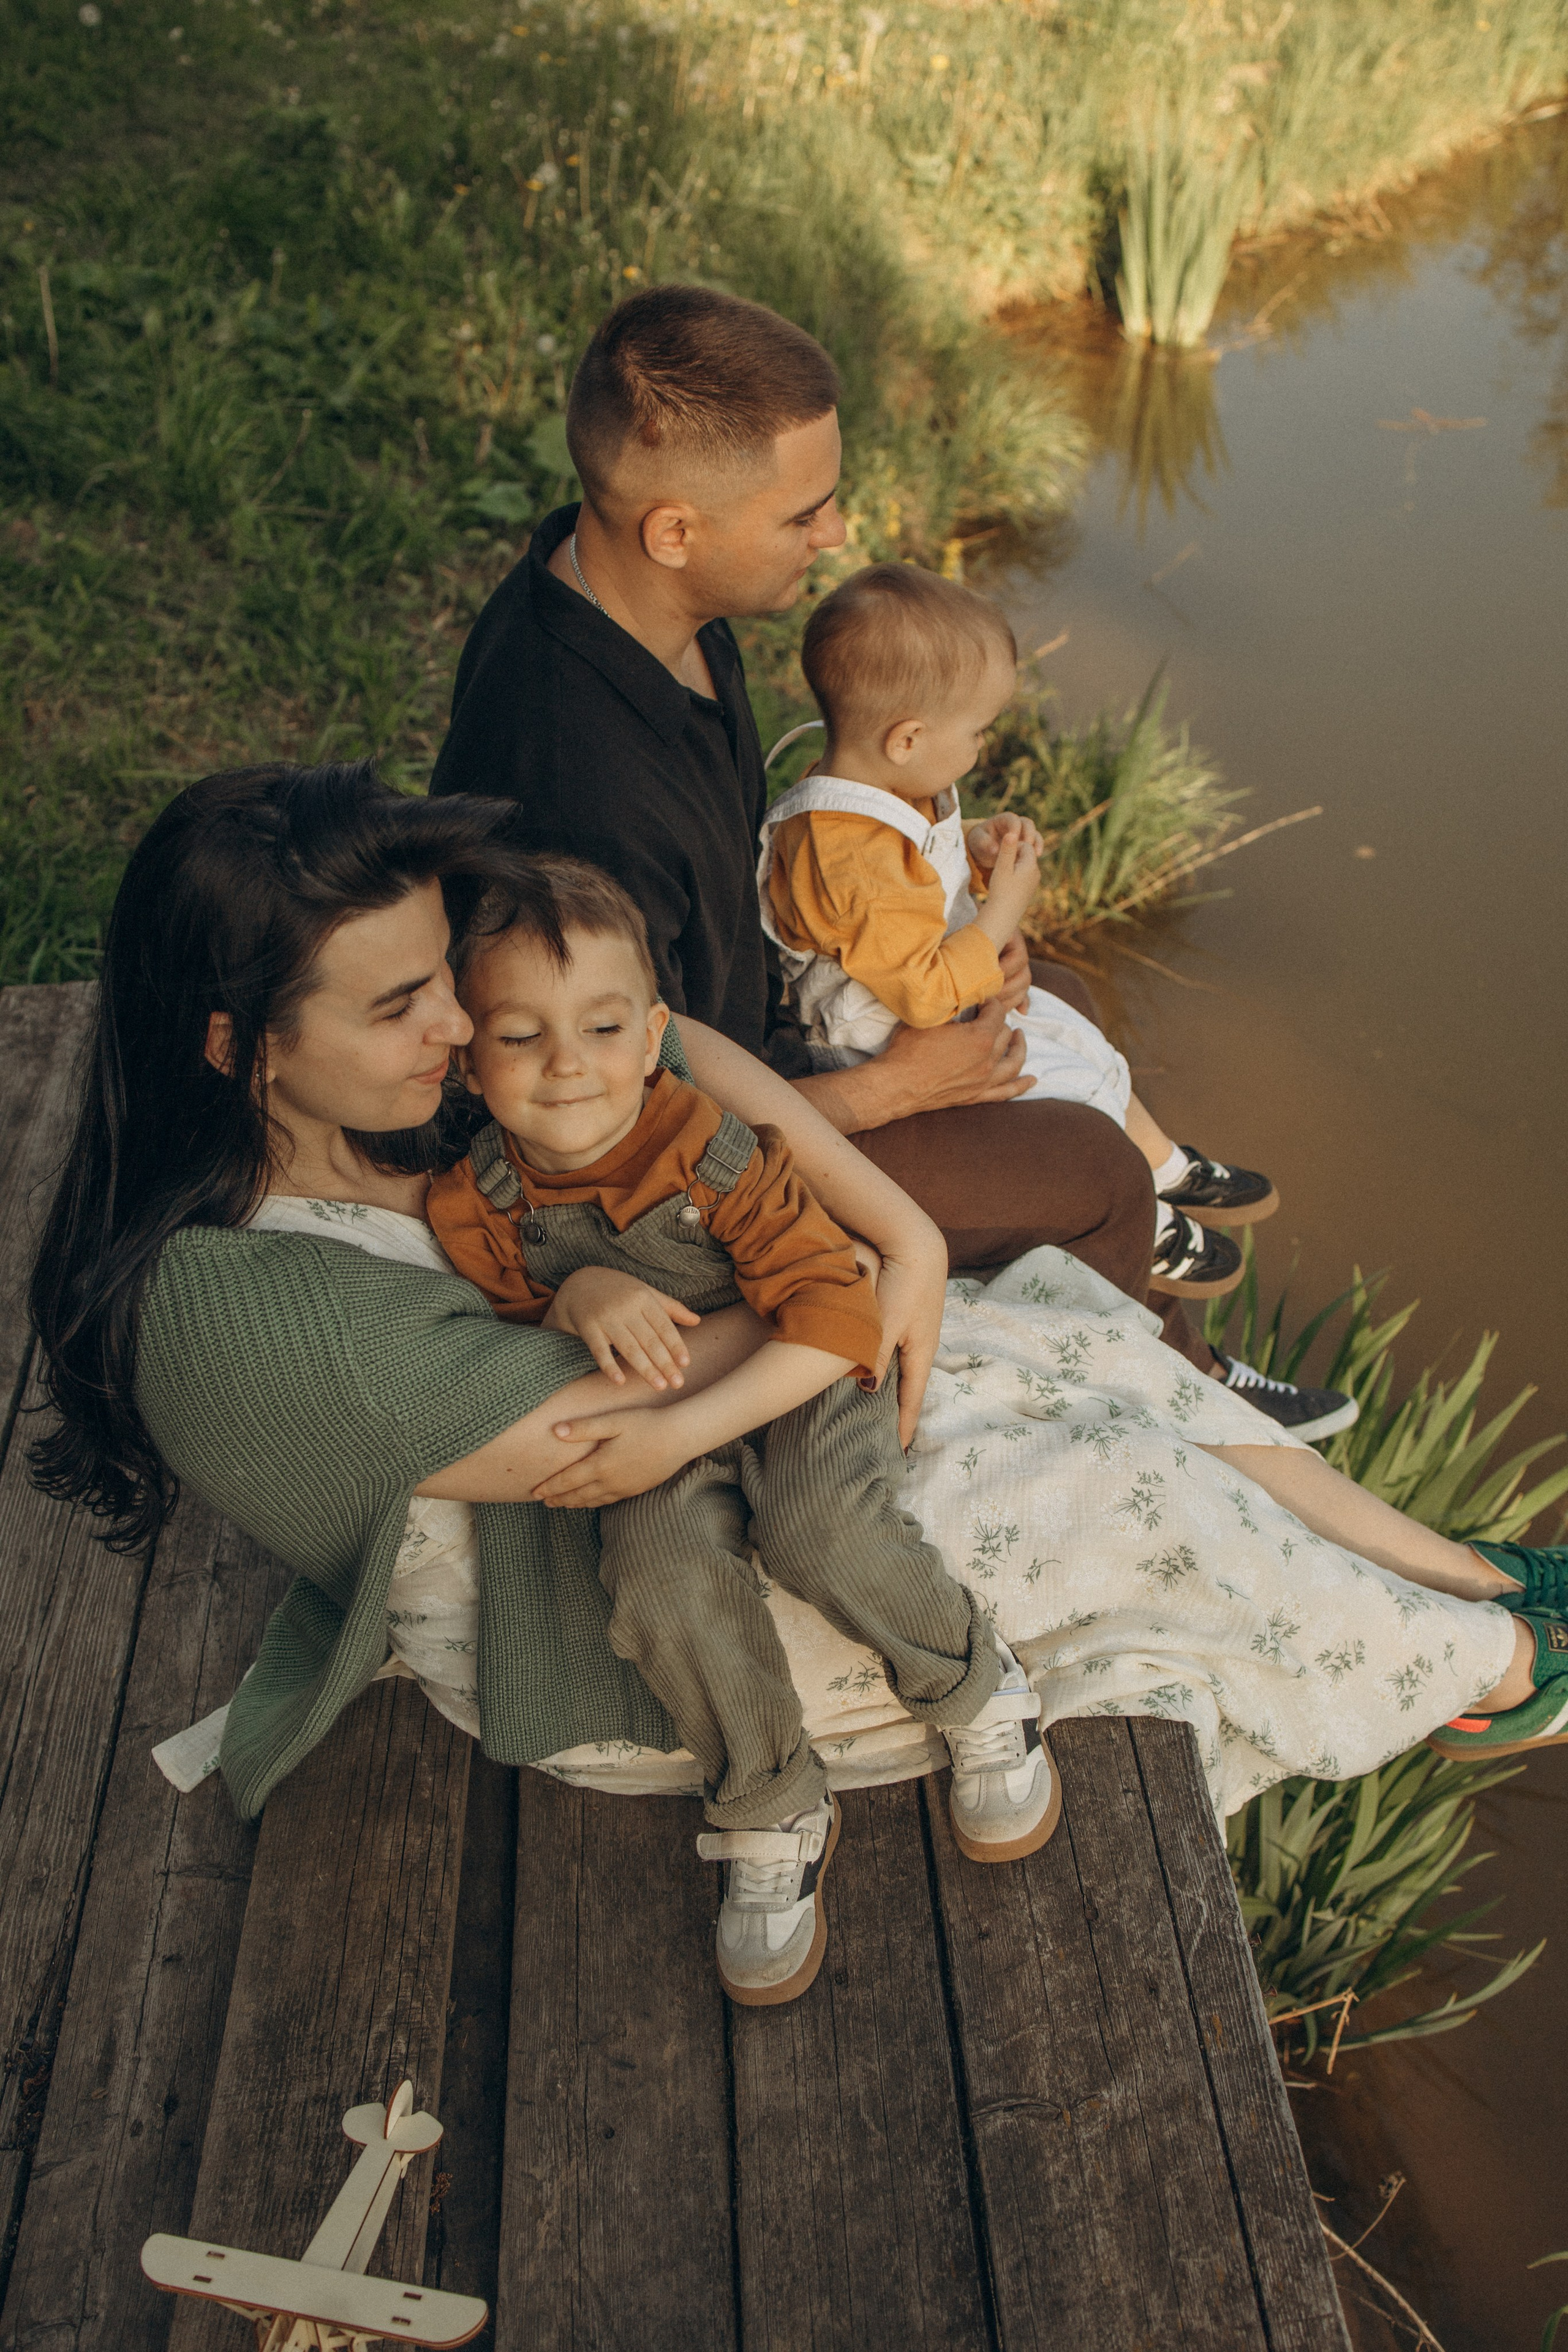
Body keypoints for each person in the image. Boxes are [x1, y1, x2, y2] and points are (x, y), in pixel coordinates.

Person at [25, 763, 1568, 2003]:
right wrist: (823, 1293)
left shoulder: (398, 1096)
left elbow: (654, 1031)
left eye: (446, 986)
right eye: (401, 1006)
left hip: (721, 1419)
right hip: (608, 1613)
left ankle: (1470, 1579)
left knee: (1067, 1350)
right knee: (1104, 1477)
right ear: (240, 1045)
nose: (455, 1028)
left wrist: (890, 1233)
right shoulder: (228, 1315)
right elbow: (605, 1445)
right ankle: (1489, 1669)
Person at [427, 281, 1353, 1438]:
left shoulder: (653, 607)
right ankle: (1160, 1412)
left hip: (752, 1040)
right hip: (658, 1173)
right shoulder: (581, 787)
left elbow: (734, 902)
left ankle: (1173, 1340)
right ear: (675, 530)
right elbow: (626, 1100)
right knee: (1089, 1166)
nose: (834, 536)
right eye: (804, 512)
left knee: (1049, 993)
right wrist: (891, 1088)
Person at [423, 854, 1056, 2003]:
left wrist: (684, 1432)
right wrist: (569, 1298)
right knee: (657, 1576)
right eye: (521, 1038)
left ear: (657, 1029)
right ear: (467, 1058)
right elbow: (511, 1328)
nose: (569, 1064)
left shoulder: (712, 1146)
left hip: (797, 1370)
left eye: (603, 1025)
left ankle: (974, 1683)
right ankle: (770, 1798)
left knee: (821, 1531)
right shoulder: (479, 1200)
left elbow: (833, 1310)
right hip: (663, 1408)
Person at [760, 560, 1289, 1317]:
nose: (982, 748)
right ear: (908, 737)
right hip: (882, 1035)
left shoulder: (878, 786)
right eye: (978, 731)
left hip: (924, 1001)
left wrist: (970, 848)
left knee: (1079, 1039)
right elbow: (919, 989)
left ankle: (1164, 1165)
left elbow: (907, 880)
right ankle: (1153, 1219)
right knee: (1063, 1093)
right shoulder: (848, 853)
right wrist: (1002, 912)